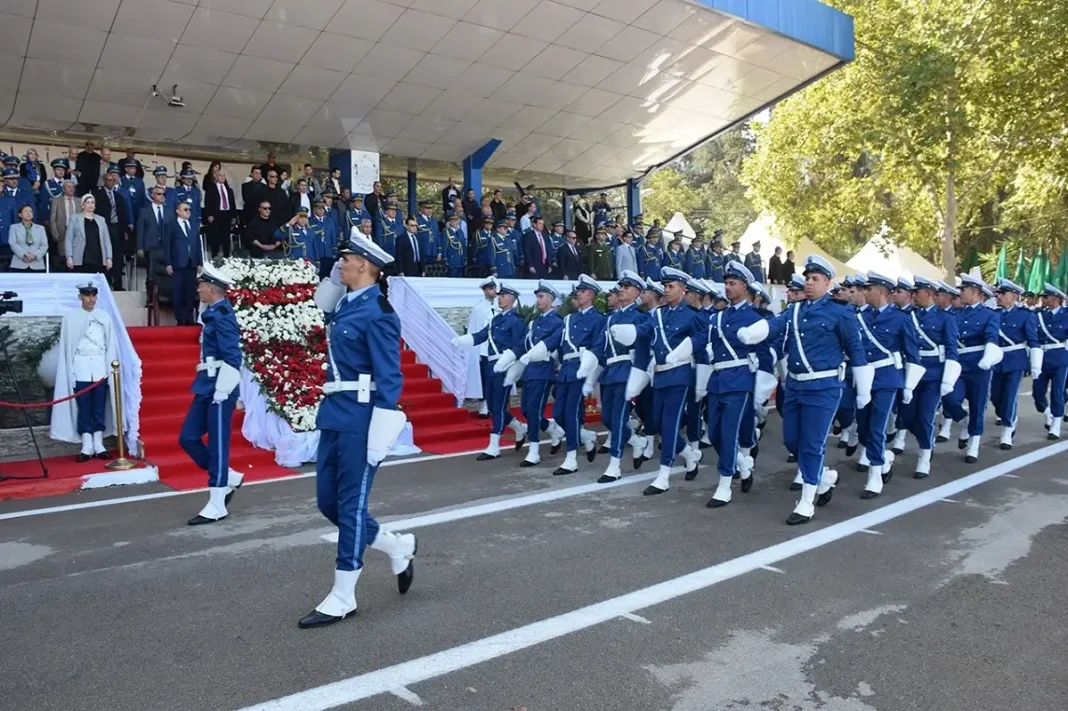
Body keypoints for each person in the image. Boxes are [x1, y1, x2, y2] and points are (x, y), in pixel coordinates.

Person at [297, 236, 415, 628]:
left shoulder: (378, 311)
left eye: (346, 259)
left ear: (365, 265)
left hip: (362, 418)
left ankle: (343, 595)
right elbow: (320, 310)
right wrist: (332, 283)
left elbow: (390, 373)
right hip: (335, 413)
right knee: (328, 504)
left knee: (350, 507)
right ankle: (397, 546)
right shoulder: (347, 305)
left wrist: (382, 425)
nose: (340, 264)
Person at [738, 255, 870, 525]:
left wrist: (863, 389)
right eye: (807, 279)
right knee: (792, 441)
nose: (809, 284)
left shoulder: (840, 312)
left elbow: (855, 350)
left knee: (811, 444)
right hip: (797, 386)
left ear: (827, 282)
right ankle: (823, 478)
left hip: (824, 387)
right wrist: (752, 333)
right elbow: (775, 326)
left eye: (815, 279)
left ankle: (806, 502)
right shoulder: (795, 310)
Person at [625, 267, 703, 495]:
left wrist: (688, 356)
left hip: (679, 376)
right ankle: (688, 453)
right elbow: (644, 330)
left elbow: (701, 341)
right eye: (665, 286)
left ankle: (664, 475)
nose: (666, 290)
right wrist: (628, 331)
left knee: (669, 424)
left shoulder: (692, 316)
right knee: (656, 422)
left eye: (671, 287)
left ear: (683, 289)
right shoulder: (658, 314)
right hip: (659, 376)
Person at [180, 265, 244, 525]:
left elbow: (233, 357)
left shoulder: (223, 315)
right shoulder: (213, 314)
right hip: (206, 384)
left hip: (219, 386)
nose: (198, 290)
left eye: (200, 286)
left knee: (218, 446)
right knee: (188, 437)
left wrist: (223, 389)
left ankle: (217, 503)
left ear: (210, 288)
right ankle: (227, 477)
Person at [851, 271, 921, 499]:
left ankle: (874, 475)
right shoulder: (860, 317)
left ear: (880, 291)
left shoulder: (901, 319)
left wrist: (909, 385)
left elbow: (913, 354)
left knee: (877, 425)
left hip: (887, 378)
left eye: (868, 289)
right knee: (862, 427)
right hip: (863, 377)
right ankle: (884, 461)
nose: (864, 293)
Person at [703, 262, 763, 508]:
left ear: (744, 286)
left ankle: (725, 484)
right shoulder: (718, 317)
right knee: (715, 433)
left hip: (739, 382)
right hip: (717, 381)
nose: (727, 288)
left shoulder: (753, 318)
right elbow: (702, 340)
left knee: (728, 433)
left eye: (732, 284)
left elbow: (765, 351)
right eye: (726, 283)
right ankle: (742, 464)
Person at [451, 283, 528, 459]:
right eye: (499, 295)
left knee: (499, 406)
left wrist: (510, 365)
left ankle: (494, 447)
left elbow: (520, 346)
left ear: (512, 299)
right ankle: (519, 427)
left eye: (503, 295)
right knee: (493, 406)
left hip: (504, 367)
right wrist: (463, 341)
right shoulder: (496, 319)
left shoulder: (516, 322)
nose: (499, 297)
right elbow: (481, 336)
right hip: (490, 367)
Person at [50, 281, 119, 460]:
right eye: (87, 295)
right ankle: (86, 444)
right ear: (80, 296)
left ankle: (98, 442)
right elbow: (68, 347)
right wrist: (70, 372)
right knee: (83, 406)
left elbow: (110, 344)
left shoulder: (104, 317)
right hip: (80, 367)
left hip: (100, 367)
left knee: (99, 406)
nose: (91, 299)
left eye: (94, 295)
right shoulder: (71, 318)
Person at [594, 270, 651, 482]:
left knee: (617, 419)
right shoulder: (612, 318)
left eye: (627, 287)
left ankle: (614, 465)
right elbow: (601, 347)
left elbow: (642, 348)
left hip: (627, 371)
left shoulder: (639, 317)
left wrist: (638, 374)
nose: (622, 290)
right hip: (610, 372)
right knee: (607, 418)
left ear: (636, 292)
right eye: (621, 287)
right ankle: (636, 442)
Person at [940, 275, 1002, 463]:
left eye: (963, 290)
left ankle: (973, 444)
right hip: (958, 364)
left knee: (977, 404)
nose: (960, 293)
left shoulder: (989, 315)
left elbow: (992, 337)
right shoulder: (955, 314)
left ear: (975, 292)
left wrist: (988, 357)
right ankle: (963, 419)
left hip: (977, 364)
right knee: (949, 396)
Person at [906, 276, 961, 478]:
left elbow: (952, 349)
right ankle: (924, 441)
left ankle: (924, 456)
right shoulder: (910, 316)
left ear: (928, 293)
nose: (913, 296)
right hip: (912, 373)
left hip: (933, 374)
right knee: (908, 416)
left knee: (925, 416)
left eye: (917, 293)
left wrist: (948, 377)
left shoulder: (945, 318)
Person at [514, 281, 566, 467]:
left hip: (543, 370)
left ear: (551, 300)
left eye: (541, 296)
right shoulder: (535, 322)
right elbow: (524, 344)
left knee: (534, 410)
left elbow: (555, 345)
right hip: (530, 371)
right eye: (537, 296)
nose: (538, 299)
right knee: (526, 410)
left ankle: (534, 450)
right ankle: (553, 430)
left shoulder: (557, 322)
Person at [989, 278, 1040, 450]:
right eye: (998, 293)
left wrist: (1035, 366)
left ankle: (1007, 430)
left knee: (1010, 396)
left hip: (1016, 360)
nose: (998, 296)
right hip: (996, 360)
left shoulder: (1025, 315)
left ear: (1014, 296)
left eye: (1002, 293)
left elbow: (1033, 340)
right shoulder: (993, 314)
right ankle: (1007, 417)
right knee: (996, 397)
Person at [1034, 283, 1068, 439]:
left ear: (1055, 299)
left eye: (1046, 297)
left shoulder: (1066, 315)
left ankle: (1056, 424)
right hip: (1041, 357)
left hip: (1060, 356)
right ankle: (1047, 413)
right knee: (1038, 393)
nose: (1043, 300)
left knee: (1057, 392)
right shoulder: (1040, 314)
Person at [163, 201, 203, 326]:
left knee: (190, 292)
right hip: (178, 263)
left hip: (191, 263)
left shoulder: (193, 225)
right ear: (178, 211)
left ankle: (189, 317)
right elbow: (167, 245)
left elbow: (197, 244)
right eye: (185, 209)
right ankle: (180, 318)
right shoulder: (171, 225)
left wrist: (200, 262)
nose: (188, 212)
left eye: (189, 209)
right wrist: (168, 263)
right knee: (178, 292)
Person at [466, 276, 498, 418]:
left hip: (497, 349)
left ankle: (495, 404)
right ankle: (483, 405)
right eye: (491, 289)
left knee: (495, 378)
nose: (494, 291)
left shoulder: (498, 307)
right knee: (484, 378)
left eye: (494, 288)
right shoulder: (478, 309)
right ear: (485, 291)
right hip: (484, 349)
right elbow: (475, 331)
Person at [64, 194, 112, 277]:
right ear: (82, 205)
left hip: (98, 257)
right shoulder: (74, 218)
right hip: (81, 258)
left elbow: (107, 240)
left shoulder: (101, 219)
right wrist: (69, 256)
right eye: (88, 202)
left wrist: (109, 258)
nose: (90, 205)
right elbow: (68, 239)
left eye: (92, 202)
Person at [7, 204, 47, 271]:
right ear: (20, 215)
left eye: (30, 211)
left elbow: (44, 245)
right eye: (25, 211)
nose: (28, 213)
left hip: (37, 264)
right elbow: (13, 243)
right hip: (19, 264)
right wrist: (25, 255)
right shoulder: (14, 227)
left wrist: (34, 255)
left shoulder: (40, 228)